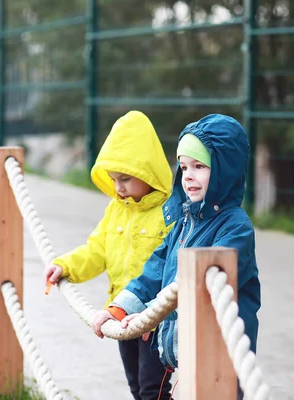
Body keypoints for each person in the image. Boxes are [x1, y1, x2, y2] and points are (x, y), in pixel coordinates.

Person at [92, 114, 262, 400]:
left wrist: (151, 315)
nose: (189, 176)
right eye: (183, 167)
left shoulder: (235, 227)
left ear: (224, 170)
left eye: (199, 166)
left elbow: (204, 290)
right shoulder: (183, 222)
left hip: (220, 355)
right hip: (184, 353)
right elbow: (154, 271)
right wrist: (119, 308)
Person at [44, 110, 175, 400]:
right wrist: (64, 266)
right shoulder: (116, 209)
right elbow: (96, 250)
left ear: (148, 171)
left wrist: (155, 313)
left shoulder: (169, 214)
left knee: (154, 389)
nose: (118, 187)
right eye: (114, 179)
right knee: (136, 388)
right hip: (119, 314)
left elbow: (171, 268)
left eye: (126, 178)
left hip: (156, 319)